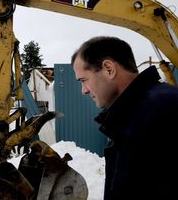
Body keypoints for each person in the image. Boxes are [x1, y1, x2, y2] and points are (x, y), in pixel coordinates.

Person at [71, 36, 178, 200]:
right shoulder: (132, 115)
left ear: (109, 69)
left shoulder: (162, 111)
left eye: (84, 80)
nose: (83, 91)